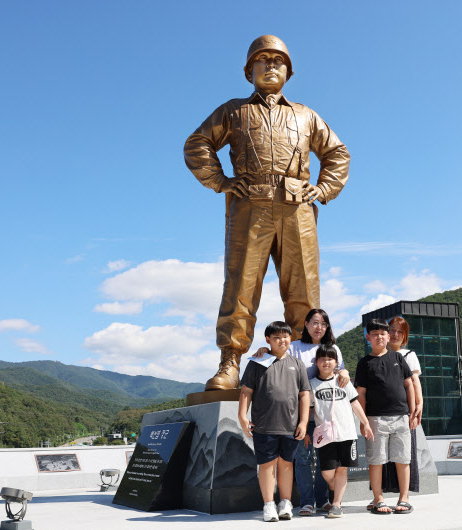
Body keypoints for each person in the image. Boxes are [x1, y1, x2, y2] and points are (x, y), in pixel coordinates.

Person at [184, 35, 351, 391]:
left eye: (279, 60)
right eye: (263, 59)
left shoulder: (306, 115)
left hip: (298, 209)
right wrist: (221, 181)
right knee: (241, 286)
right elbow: (197, 144)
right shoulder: (233, 111)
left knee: (304, 290)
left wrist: (322, 189)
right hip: (250, 205)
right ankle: (230, 362)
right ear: (249, 71)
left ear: (289, 72)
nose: (271, 64)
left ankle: (310, 362)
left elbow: (337, 153)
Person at [254, 308, 350, 516]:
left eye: (323, 324)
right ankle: (307, 502)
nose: (319, 327)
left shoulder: (332, 347)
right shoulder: (295, 347)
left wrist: (344, 370)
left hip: (326, 414)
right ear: (306, 324)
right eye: (315, 323)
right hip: (301, 412)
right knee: (303, 458)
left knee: (324, 458)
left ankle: (322, 499)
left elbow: (339, 370)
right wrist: (264, 348)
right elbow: (278, 355)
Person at [238, 321, 311, 522]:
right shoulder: (257, 362)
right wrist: (242, 416)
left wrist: (303, 422)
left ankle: (285, 503)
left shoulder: (297, 364)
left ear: (290, 339)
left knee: (287, 464)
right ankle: (269, 504)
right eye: (276, 337)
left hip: (290, 424)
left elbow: (304, 395)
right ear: (268, 340)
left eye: (285, 336)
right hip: (264, 424)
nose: (282, 340)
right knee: (267, 465)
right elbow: (246, 391)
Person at [355, 319, 416, 515]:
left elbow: (409, 385)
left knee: (403, 459)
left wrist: (412, 411)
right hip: (375, 419)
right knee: (376, 460)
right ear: (368, 338)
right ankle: (378, 498)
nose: (379, 337)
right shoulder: (364, 363)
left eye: (383, 333)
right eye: (375, 334)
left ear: (388, 336)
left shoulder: (398, 358)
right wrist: (364, 422)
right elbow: (361, 394)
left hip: (401, 417)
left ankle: (404, 498)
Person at [309, 344, 374, 518]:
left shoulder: (342, 381)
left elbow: (355, 403)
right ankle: (333, 487)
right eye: (322, 359)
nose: (326, 362)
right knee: (327, 472)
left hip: (346, 433)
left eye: (330, 359)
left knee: (342, 469)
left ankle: (336, 504)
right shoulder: (312, 385)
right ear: (316, 362)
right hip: (326, 436)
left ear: (336, 362)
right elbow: (307, 410)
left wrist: (365, 423)